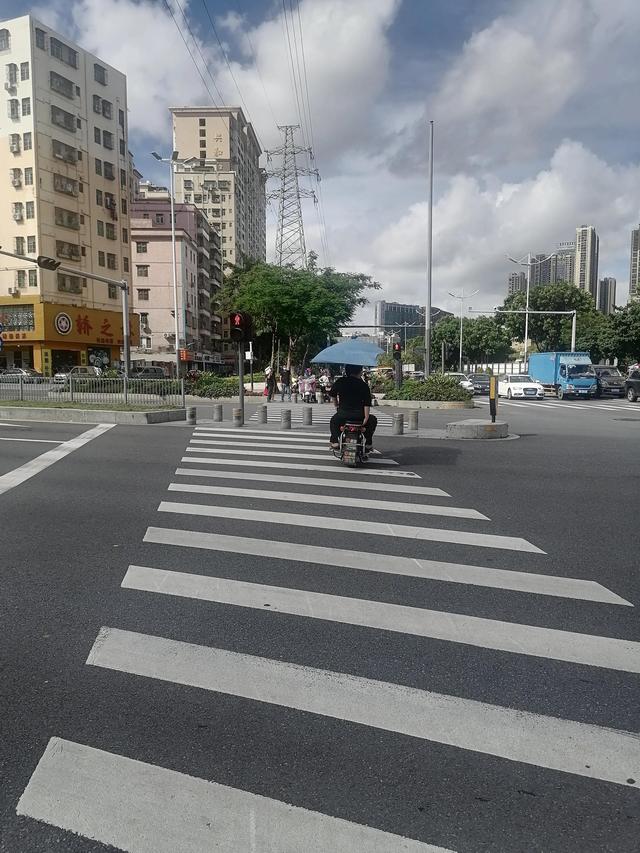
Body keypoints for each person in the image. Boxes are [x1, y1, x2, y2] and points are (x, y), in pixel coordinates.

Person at [329, 364, 377, 451]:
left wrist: (336, 405)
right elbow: (367, 403)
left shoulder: (341, 381)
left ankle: (335, 441)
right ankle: (368, 444)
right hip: (359, 416)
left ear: (347, 371)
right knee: (373, 420)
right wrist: (366, 418)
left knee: (334, 421)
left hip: (343, 415)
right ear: (360, 372)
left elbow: (332, 394)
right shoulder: (363, 385)